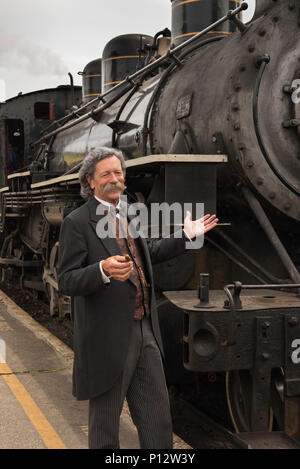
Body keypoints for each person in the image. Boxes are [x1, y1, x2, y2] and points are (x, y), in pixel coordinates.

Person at [57, 146, 218, 449]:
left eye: (118, 172)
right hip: (107, 336)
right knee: (106, 424)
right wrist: (101, 270)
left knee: (157, 418)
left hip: (145, 329)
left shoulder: (128, 212)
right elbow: (66, 279)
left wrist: (187, 235)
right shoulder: (77, 222)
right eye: (106, 174)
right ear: (90, 181)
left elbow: (150, 254)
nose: (114, 179)